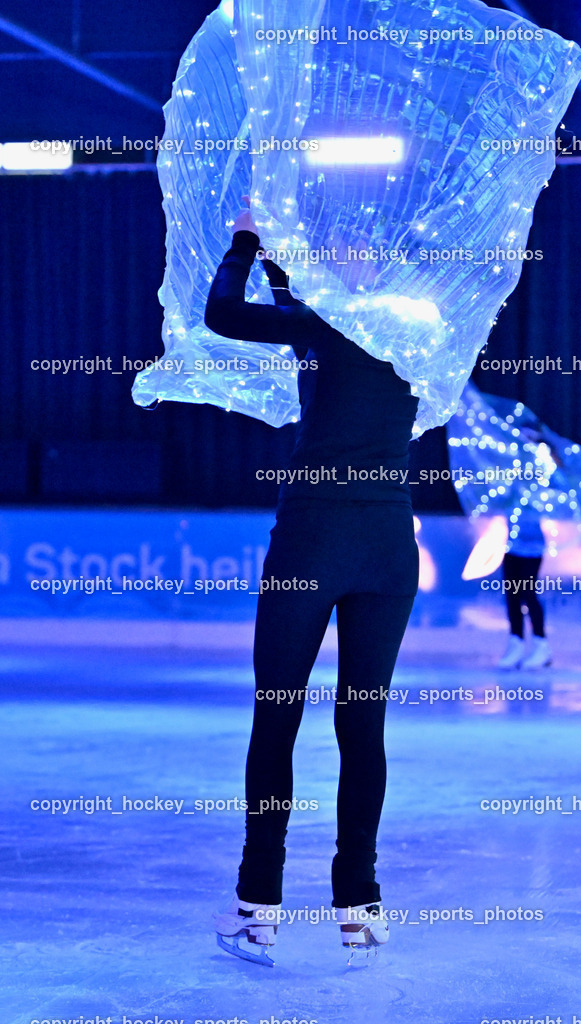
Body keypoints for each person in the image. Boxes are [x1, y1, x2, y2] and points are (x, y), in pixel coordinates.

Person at [204, 201, 420, 964]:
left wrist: (244, 242)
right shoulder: (421, 331)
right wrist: (281, 268)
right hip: (390, 548)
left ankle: (256, 906)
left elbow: (223, 316)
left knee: (277, 715)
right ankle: (359, 907)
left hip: (313, 541)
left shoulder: (327, 327)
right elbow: (311, 328)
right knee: (361, 728)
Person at [497, 505, 552, 670]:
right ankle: (516, 642)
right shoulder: (510, 481)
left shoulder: (542, 481)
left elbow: (557, 495)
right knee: (512, 596)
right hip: (512, 545)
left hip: (533, 548)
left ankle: (541, 644)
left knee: (528, 594)